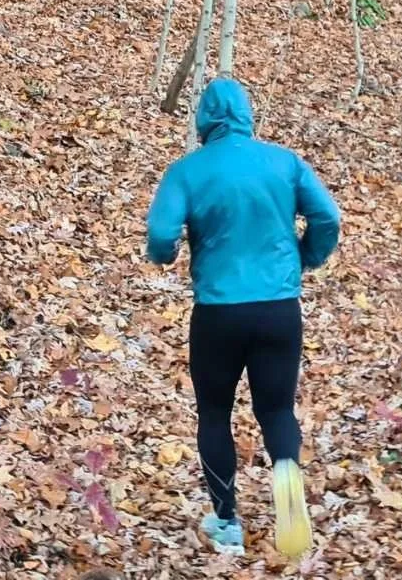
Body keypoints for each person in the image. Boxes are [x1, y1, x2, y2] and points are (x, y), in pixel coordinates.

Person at [144, 76, 341, 558]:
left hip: (218, 314)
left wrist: (167, 253)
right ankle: (287, 477)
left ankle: (227, 521)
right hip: (278, 309)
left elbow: (159, 233)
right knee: (276, 409)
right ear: (248, 114)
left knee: (215, 412)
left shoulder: (187, 172)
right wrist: (306, 258)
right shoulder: (285, 162)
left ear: (203, 119)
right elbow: (328, 219)